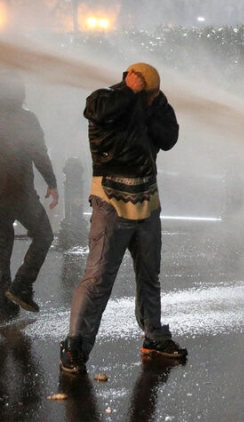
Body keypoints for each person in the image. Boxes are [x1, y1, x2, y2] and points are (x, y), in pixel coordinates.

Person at [59, 63, 186, 374]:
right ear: (131, 82)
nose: (151, 99)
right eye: (148, 93)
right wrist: (130, 93)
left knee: (149, 275)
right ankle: (74, 346)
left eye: (154, 95)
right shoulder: (106, 99)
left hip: (147, 200)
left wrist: (151, 106)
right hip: (110, 202)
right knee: (98, 277)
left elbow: (169, 137)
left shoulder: (153, 106)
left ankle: (154, 338)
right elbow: (97, 112)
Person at [0, 70, 59, 316]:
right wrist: (52, 183)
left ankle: (4, 303)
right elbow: (38, 153)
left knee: (3, 244)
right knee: (43, 234)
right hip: (20, 191)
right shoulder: (27, 119)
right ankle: (22, 285)